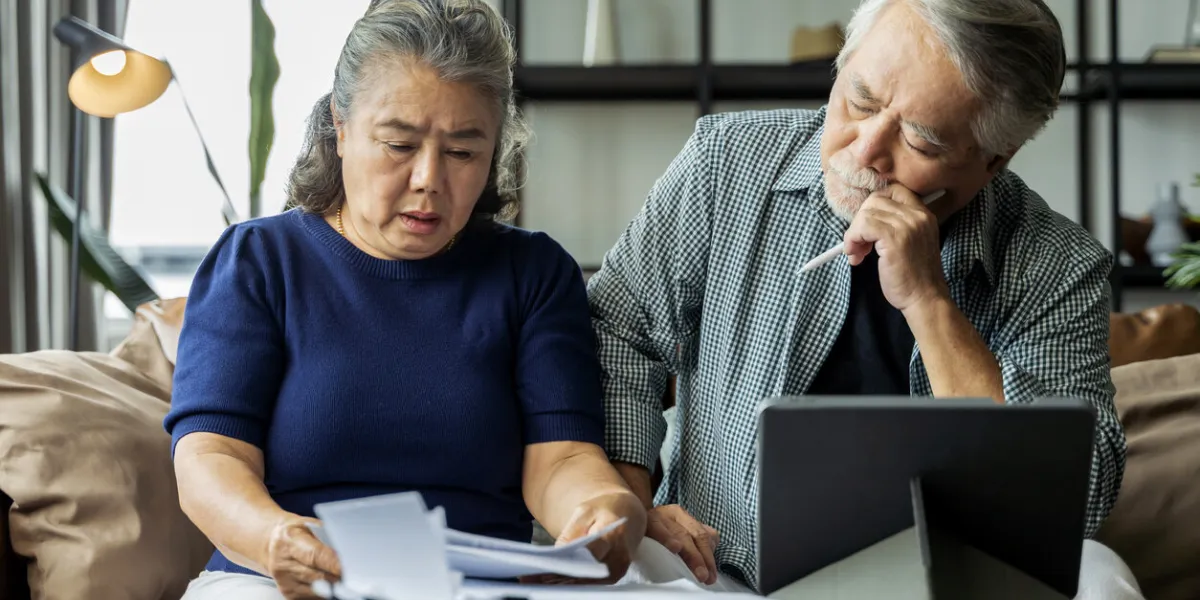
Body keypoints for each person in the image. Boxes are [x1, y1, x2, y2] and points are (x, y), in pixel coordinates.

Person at [589, 0, 1144, 598]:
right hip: (719, 567)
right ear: (842, 65)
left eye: (921, 142)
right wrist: (634, 501)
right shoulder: (725, 164)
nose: (865, 151)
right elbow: (620, 332)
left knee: (1101, 578)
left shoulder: (1059, 265)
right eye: (861, 100)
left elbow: (1076, 499)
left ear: (992, 160)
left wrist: (930, 302)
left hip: (956, 581)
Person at [165, 1, 646, 598]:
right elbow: (211, 457)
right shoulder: (257, 262)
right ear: (340, 129)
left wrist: (602, 508)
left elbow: (563, 459)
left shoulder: (534, 273)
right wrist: (274, 539)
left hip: (477, 587)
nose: (429, 179)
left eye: (464, 153)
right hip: (278, 580)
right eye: (399, 145)